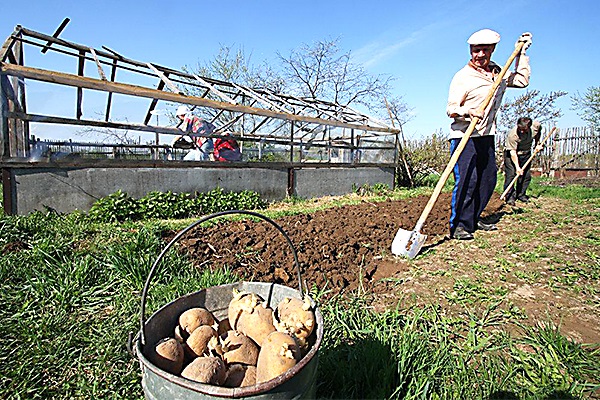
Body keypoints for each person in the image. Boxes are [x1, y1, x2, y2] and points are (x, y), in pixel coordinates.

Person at [446, 28, 532, 240]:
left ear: (492, 50)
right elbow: (451, 108)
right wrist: (469, 111)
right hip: (464, 136)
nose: (480, 55)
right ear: (470, 51)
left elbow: (521, 81)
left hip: (486, 135)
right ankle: (459, 226)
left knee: (487, 180)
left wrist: (521, 54)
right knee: (468, 180)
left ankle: (474, 218)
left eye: (485, 50)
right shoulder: (462, 77)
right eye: (476, 50)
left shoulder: (498, 73)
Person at [503, 117, 543, 205]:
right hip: (511, 155)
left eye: (524, 130)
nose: (521, 131)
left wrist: (537, 144)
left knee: (526, 176)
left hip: (526, 154)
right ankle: (509, 197)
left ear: (529, 127)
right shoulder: (512, 135)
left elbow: (538, 133)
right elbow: (512, 152)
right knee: (511, 175)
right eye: (520, 129)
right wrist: (517, 167)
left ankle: (521, 194)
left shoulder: (536, 126)